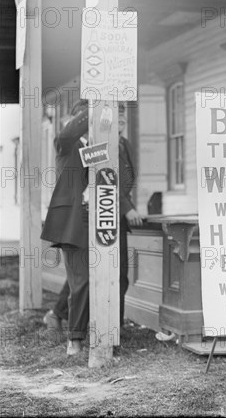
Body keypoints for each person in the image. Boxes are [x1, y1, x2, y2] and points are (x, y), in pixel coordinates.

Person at [42, 102, 143, 354]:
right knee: (82, 280)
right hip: (75, 224)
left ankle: (109, 334)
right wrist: (98, 104)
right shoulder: (67, 145)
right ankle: (75, 340)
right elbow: (68, 133)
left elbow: (119, 180)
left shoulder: (101, 149)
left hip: (103, 220)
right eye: (89, 116)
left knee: (113, 277)